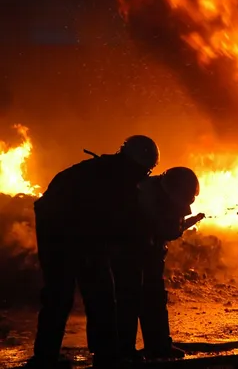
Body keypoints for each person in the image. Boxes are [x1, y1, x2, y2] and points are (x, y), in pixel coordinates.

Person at [27, 135, 160, 369]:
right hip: (64, 232)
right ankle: (57, 359)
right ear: (137, 164)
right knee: (78, 294)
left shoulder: (110, 171)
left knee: (88, 294)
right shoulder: (111, 178)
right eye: (144, 170)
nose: (144, 175)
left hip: (66, 229)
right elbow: (105, 218)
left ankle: (66, 356)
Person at [112, 166, 205, 361]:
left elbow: (168, 228)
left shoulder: (166, 192)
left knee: (154, 298)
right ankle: (124, 351)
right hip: (130, 251)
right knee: (129, 299)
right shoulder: (144, 196)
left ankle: (159, 346)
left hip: (150, 252)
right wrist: (180, 227)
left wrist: (185, 224)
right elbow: (160, 229)